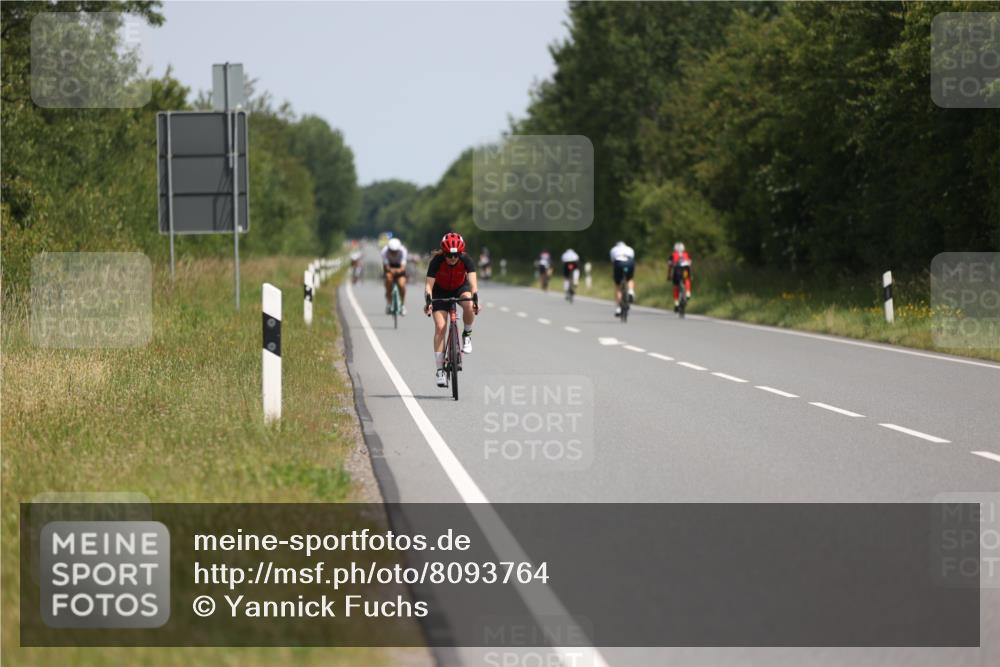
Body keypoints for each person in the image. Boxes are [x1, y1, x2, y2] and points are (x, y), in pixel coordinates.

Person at [424, 232, 479, 387]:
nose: (453, 258)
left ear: (460, 253)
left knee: (468, 305)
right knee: (440, 327)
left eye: (456, 255)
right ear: (443, 252)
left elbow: (473, 283)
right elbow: (429, 285)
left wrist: (475, 299)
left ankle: (467, 334)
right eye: (449, 255)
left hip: (460, 288)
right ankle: (440, 370)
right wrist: (428, 301)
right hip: (440, 291)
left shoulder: (466, 260)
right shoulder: (436, 261)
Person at [381, 237, 409, 315]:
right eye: (391, 251)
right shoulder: (384, 251)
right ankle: (389, 303)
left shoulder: (403, 251)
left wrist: (398, 270)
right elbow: (386, 266)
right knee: (388, 280)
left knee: (402, 285)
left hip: (400, 267)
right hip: (389, 267)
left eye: (395, 251)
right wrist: (391, 270)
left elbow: (403, 266)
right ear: (388, 249)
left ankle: (402, 305)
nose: (393, 253)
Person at [609, 240, 636, 317]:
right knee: (630, 278)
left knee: (618, 286)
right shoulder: (630, 249)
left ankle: (618, 308)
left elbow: (612, 261)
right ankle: (631, 291)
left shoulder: (613, 249)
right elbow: (633, 258)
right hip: (629, 262)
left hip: (618, 263)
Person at [668, 242, 692, 312]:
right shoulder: (687, 254)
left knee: (675, 286)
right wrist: (691, 275)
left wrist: (669, 276)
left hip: (677, 272)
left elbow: (670, 266)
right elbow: (689, 265)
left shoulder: (672, 255)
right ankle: (688, 292)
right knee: (687, 279)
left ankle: (676, 303)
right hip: (685, 271)